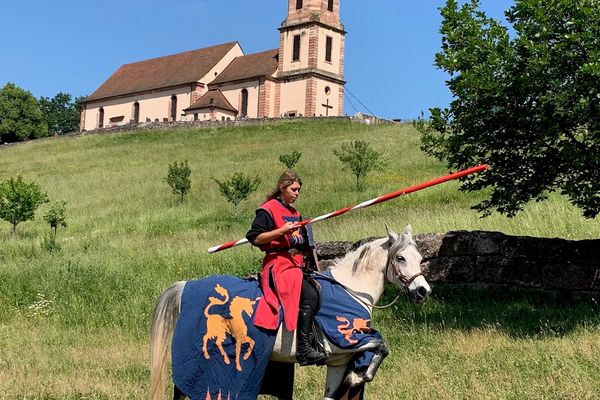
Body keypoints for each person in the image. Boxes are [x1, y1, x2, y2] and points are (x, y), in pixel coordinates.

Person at [246, 170, 328, 366]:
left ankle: (316, 340)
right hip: (277, 263)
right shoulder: (268, 210)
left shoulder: (295, 213)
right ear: (283, 188)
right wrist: (280, 231)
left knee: (320, 287)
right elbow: (255, 238)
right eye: (294, 189)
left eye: (299, 190)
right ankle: (303, 349)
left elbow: (300, 242)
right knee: (309, 295)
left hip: (296, 263)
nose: (297, 193)